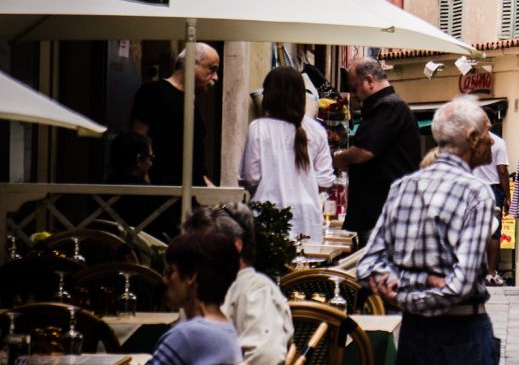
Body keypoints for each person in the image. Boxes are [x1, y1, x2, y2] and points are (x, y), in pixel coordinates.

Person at [358, 96, 499, 365]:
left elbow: (368, 266)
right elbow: (461, 284)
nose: (491, 139)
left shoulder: (404, 186)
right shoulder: (477, 192)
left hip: (414, 331)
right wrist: (426, 283)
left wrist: (404, 291)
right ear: (471, 137)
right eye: (487, 131)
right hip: (462, 335)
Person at [184, 204, 293, 365]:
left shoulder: (254, 289)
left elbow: (265, 358)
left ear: (236, 246)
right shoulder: (217, 289)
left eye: (204, 244)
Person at [239, 67, 336, 244]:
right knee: (305, 270)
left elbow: (250, 178)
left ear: (269, 95)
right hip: (307, 219)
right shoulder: (317, 130)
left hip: (268, 215)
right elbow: (325, 180)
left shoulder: (259, 128)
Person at [333, 58, 421, 242]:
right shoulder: (389, 106)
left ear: (370, 81)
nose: (353, 95)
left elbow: (365, 151)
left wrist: (341, 158)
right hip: (384, 212)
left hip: (381, 212)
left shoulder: (388, 106)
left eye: (354, 87)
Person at [131, 44, 221, 187]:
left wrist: (214, 194)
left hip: (191, 194)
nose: (215, 78)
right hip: (162, 192)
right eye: (212, 69)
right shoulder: (153, 92)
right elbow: (136, 142)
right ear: (191, 63)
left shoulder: (191, 101)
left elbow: (196, 167)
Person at [148, 229, 242, 365]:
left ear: (191, 276)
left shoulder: (186, 336)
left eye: (170, 272)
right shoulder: (227, 329)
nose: (164, 280)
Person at [472, 129, 510, 287]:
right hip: (493, 189)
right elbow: (502, 170)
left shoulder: (470, 141)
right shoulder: (498, 143)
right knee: (494, 232)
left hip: (473, 188)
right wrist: (508, 195)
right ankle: (491, 273)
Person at [107, 130, 158, 230]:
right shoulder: (148, 196)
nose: (151, 164)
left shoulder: (99, 191)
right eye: (150, 157)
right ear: (138, 160)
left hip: (104, 243)